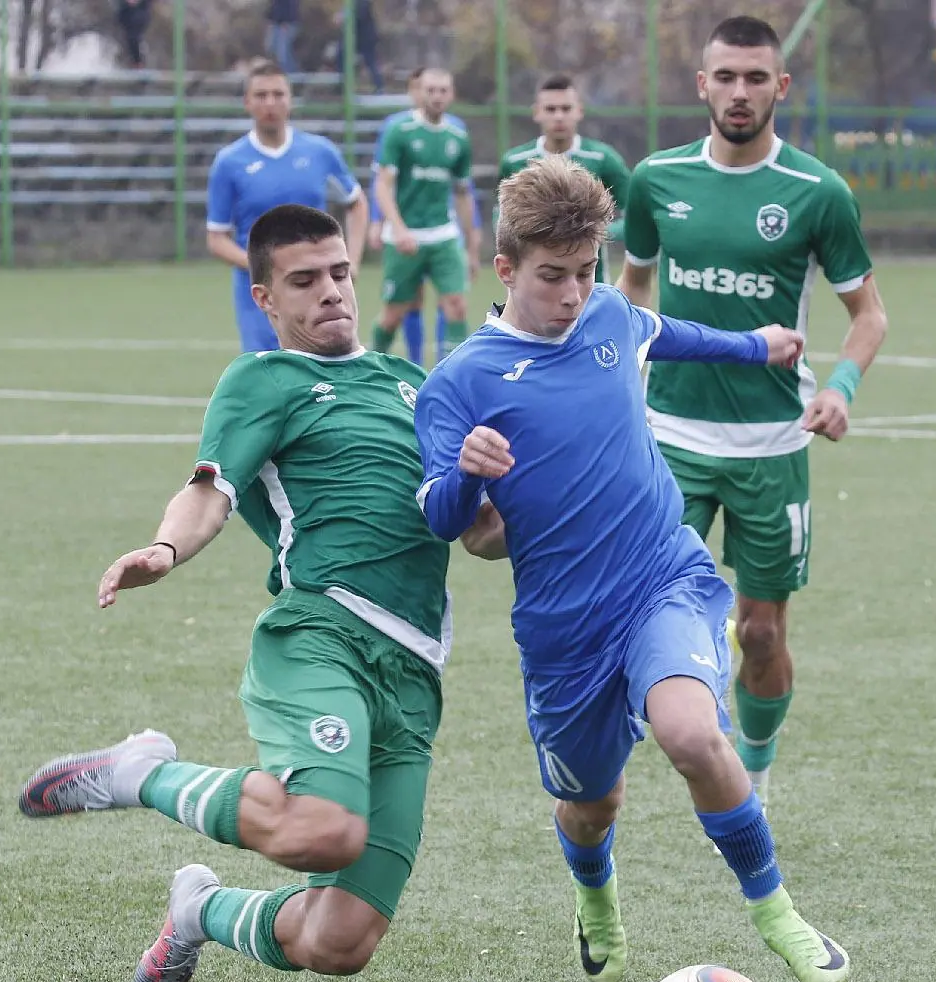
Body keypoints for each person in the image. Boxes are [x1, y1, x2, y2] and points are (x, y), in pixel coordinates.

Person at [413, 157, 849, 982]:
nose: (573, 293)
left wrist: (755, 346)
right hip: (563, 626)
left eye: (586, 270)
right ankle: (596, 895)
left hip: (660, 578)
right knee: (592, 805)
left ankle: (775, 910)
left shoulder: (609, 313)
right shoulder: (458, 383)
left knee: (691, 733)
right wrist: (467, 473)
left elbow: (668, 331)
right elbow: (442, 517)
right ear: (504, 268)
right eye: (552, 275)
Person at [17, 204, 451, 982]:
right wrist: (164, 548)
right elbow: (209, 491)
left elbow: (477, 522)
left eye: (339, 272)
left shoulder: (415, 384)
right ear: (265, 298)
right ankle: (139, 772)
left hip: (415, 673)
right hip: (321, 635)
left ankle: (198, 910)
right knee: (326, 828)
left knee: (340, 941)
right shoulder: (263, 379)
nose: (331, 291)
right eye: (304, 280)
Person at [617, 16, 889, 808]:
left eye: (755, 78)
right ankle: (655, 752)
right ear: (701, 84)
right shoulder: (655, 179)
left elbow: (868, 314)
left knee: (762, 631)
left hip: (771, 445)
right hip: (670, 436)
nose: (740, 92)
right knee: (649, 610)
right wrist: (616, 379)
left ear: (781, 87)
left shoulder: (817, 193)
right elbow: (631, 289)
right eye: (726, 77)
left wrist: (839, 388)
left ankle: (755, 774)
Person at [206, 60, 369, 353]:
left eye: (278, 94)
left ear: (290, 100)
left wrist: (350, 260)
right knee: (269, 367)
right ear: (247, 102)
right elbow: (216, 238)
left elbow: (356, 203)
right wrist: (266, 267)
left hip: (317, 286)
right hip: (260, 293)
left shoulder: (320, 153)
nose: (270, 103)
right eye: (261, 95)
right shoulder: (229, 162)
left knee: (325, 362)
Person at [367, 68, 480, 366]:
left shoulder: (458, 136)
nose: (437, 96)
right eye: (431, 90)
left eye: (443, 90)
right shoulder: (399, 130)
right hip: (406, 236)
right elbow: (383, 185)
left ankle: (451, 377)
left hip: (443, 235)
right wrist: (397, 228)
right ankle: (366, 369)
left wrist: (471, 247)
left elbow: (463, 193)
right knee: (394, 313)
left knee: (456, 304)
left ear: (452, 94)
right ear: (419, 92)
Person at [497, 73, 632, 283]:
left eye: (566, 108)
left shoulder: (602, 159)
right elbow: (501, 218)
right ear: (537, 112)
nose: (559, 116)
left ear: (579, 111)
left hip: (592, 284)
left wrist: (598, 231)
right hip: (533, 283)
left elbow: (635, 214)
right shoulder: (515, 161)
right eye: (551, 109)